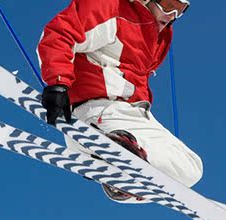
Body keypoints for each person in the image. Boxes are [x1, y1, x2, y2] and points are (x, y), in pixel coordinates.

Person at [37, 0, 203, 201]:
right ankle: (115, 149)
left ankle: (121, 170)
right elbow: (61, 34)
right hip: (100, 110)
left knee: (191, 169)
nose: (172, 15)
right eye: (168, 4)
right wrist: (58, 83)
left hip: (133, 115)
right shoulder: (112, 7)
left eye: (180, 10)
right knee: (182, 171)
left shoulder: (159, 36)